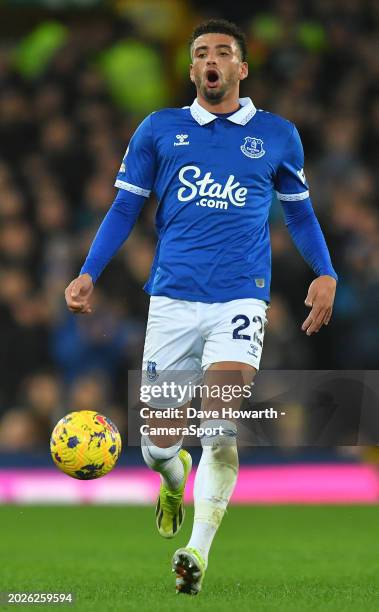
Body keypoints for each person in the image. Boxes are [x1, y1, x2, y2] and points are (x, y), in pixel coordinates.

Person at [65, 19, 337, 595]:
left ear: (241, 68)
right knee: (158, 446)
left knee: (219, 425)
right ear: (191, 70)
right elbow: (123, 208)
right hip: (171, 302)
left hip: (241, 298)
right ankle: (174, 477)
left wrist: (326, 272)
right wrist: (89, 272)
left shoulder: (278, 135)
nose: (211, 60)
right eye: (200, 53)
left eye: (222, 52)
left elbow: (300, 214)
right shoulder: (159, 130)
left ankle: (198, 553)